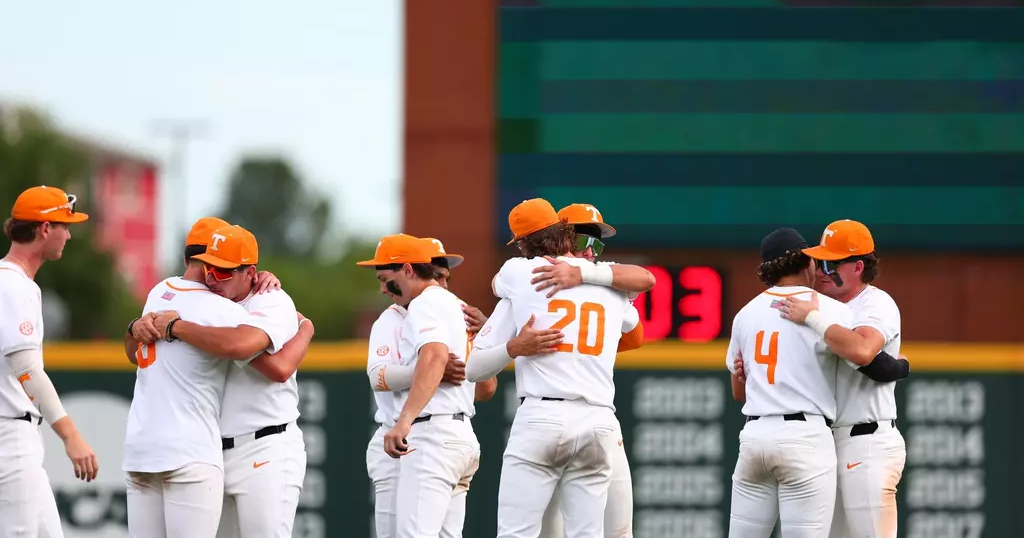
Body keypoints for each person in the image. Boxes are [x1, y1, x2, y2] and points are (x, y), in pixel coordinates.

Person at [125, 222, 315, 538]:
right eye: (210, 268)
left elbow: (278, 368)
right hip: (215, 450)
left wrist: (307, 327)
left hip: (265, 445)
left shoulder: (271, 300)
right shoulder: (211, 303)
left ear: (251, 272)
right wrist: (136, 327)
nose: (213, 278)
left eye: (225, 272)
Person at [486, 198, 638, 538]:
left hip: (552, 415)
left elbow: (500, 283)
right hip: (594, 418)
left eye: (597, 242)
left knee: (614, 530)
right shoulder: (611, 286)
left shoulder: (527, 273)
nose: (591, 249)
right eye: (583, 238)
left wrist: (581, 274)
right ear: (563, 235)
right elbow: (637, 307)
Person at [364, 235, 505, 538]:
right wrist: (431, 371)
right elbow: (378, 377)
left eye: (445, 276)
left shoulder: (437, 306)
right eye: (438, 273)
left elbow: (480, 385)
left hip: (427, 435)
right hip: (449, 436)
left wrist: (405, 419)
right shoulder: (409, 316)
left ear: (409, 270)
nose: (443, 282)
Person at [775, 220, 908, 538]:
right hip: (823, 443)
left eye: (831, 263)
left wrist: (811, 317)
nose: (820, 270)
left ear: (858, 266)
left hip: (867, 440)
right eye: (818, 260)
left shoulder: (875, 303)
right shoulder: (822, 306)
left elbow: (862, 351)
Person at [725, 227, 855, 538]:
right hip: (805, 436)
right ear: (805, 262)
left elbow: (738, 391)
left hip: (755, 436)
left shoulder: (745, 314)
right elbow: (861, 360)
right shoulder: (831, 310)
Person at [0, 185, 98, 538]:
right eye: (64, 225)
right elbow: (25, 368)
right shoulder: (14, 287)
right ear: (44, 229)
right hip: (9, 433)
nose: (68, 235)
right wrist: (70, 435)